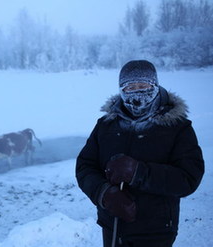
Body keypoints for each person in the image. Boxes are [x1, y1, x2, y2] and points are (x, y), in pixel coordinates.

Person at [75, 60, 204, 247]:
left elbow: (188, 178)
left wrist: (138, 172)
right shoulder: (106, 125)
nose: (137, 93)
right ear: (121, 90)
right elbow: (84, 166)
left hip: (155, 231)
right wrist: (104, 194)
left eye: (143, 86)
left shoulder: (178, 128)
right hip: (113, 228)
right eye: (130, 87)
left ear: (155, 86)